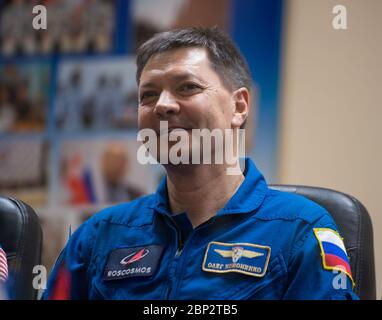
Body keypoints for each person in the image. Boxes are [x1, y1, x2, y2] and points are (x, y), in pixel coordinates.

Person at [43, 27, 358, 300]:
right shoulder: (97, 236)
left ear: (239, 106)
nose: (163, 105)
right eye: (148, 95)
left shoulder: (300, 231)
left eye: (187, 87)